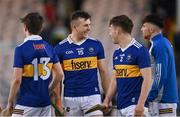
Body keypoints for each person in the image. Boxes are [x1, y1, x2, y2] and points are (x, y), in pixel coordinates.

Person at [2, 12, 64, 116]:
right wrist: (49, 89)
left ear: (25, 27)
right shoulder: (49, 47)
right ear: (40, 28)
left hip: (26, 104)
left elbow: (17, 80)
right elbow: (60, 74)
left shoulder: (21, 49)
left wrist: (10, 102)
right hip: (45, 104)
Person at [54, 10, 110, 116]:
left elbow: (103, 72)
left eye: (89, 25)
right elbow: (58, 78)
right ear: (75, 27)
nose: (89, 28)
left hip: (93, 96)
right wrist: (58, 101)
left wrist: (108, 98)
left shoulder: (96, 44)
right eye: (85, 25)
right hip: (70, 98)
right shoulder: (60, 48)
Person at [103, 15, 152, 116]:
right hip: (120, 107)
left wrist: (141, 104)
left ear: (117, 31)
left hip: (135, 107)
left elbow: (148, 79)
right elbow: (115, 79)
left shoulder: (140, 50)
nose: (110, 34)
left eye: (110, 30)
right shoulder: (116, 53)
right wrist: (107, 99)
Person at [141, 14, 179, 116]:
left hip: (163, 101)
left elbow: (160, 74)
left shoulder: (159, 45)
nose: (141, 29)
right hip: (164, 100)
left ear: (151, 29)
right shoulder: (163, 42)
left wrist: (150, 97)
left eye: (144, 26)